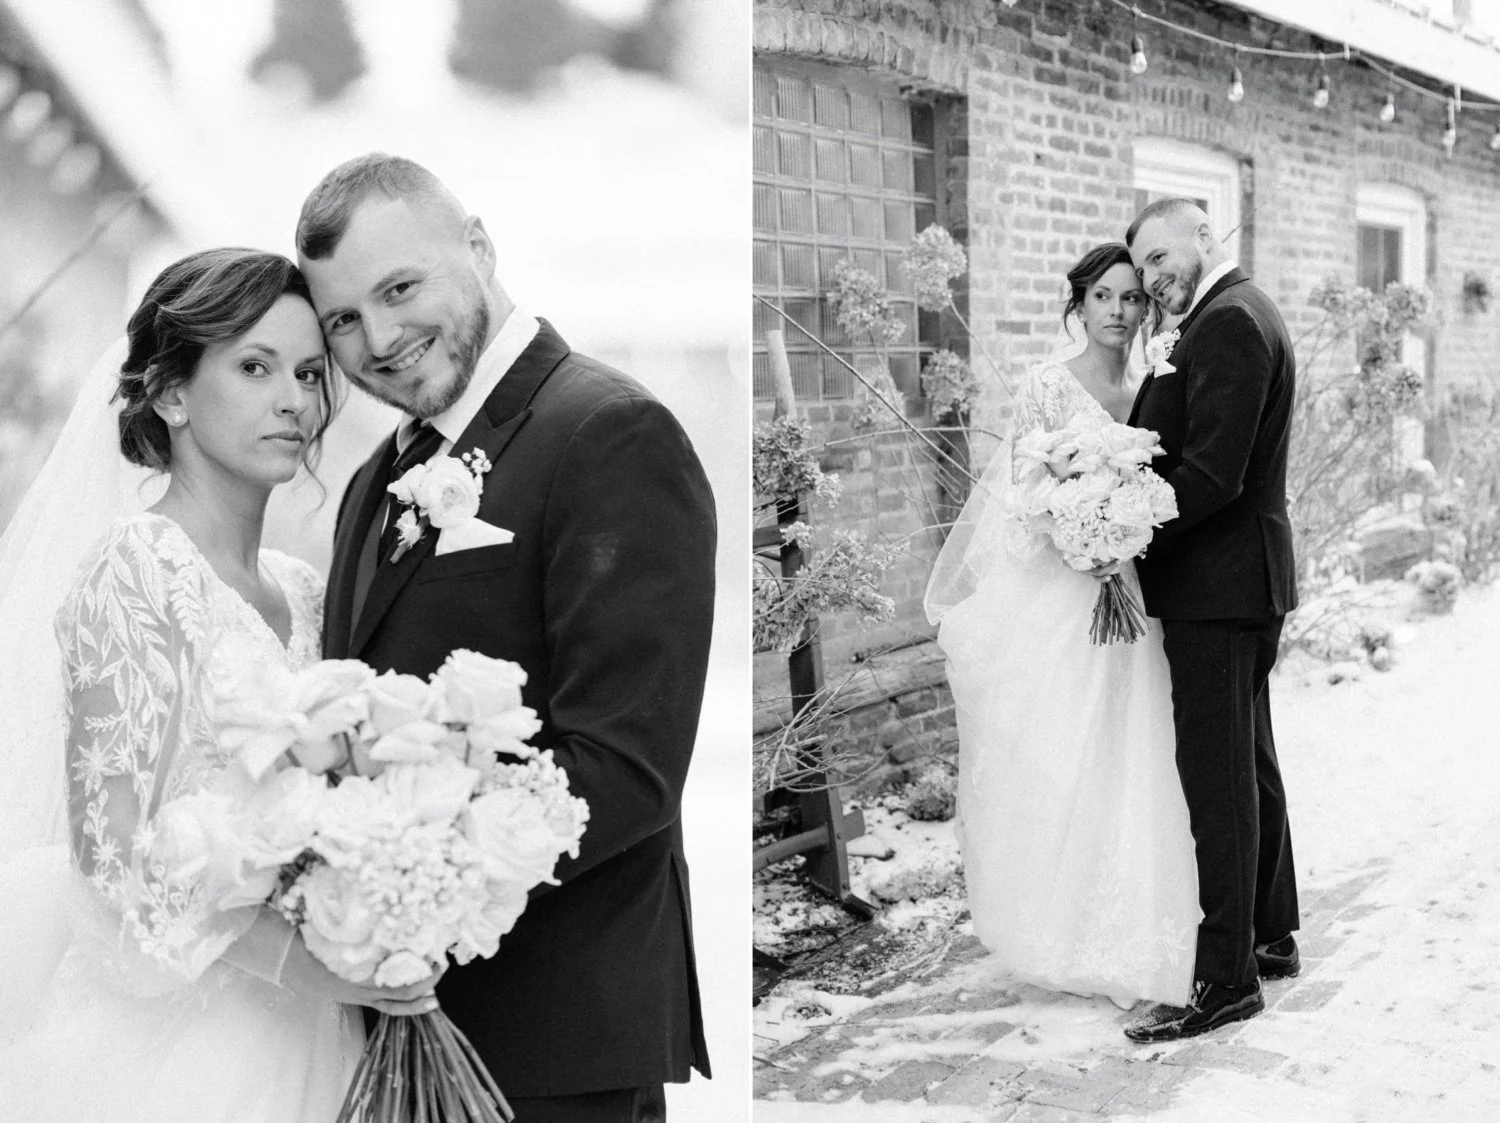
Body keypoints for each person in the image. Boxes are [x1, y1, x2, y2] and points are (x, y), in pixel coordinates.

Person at [299, 153, 716, 1123]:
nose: (380, 339)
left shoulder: (609, 432)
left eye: (399, 289)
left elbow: (626, 764)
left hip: (556, 1043)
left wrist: (410, 882)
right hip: (397, 1031)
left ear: (478, 247)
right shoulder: (373, 482)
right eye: (343, 320)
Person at [0, 248, 437, 1120]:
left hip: (323, 1040)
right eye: (254, 367)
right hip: (176, 1054)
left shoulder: (303, 590)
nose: (295, 400)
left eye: (308, 373)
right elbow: (110, 863)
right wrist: (303, 961)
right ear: (171, 395)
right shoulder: (137, 568)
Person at [925, 243, 1200, 1009]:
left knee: (1137, 751)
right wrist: (1077, 535)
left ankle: (1137, 919)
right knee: (1067, 753)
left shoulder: (1155, 386)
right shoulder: (1048, 385)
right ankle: (1065, 924)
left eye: (1132, 298)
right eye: (1103, 296)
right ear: (1078, 305)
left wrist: (1124, 535)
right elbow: (1023, 493)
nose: (1118, 310)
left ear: (1148, 308)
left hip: (1138, 593)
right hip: (1064, 595)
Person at [1122, 198, 1301, 1043]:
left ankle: (1227, 979)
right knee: (1249, 761)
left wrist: (1125, 524)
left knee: (1219, 780)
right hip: (1236, 585)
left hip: (1218, 589)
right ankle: (1270, 933)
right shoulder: (1230, 311)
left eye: (1162, 256)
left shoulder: (1228, 320)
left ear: (1204, 235)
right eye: (1143, 266)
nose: (1154, 277)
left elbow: (1213, 474)